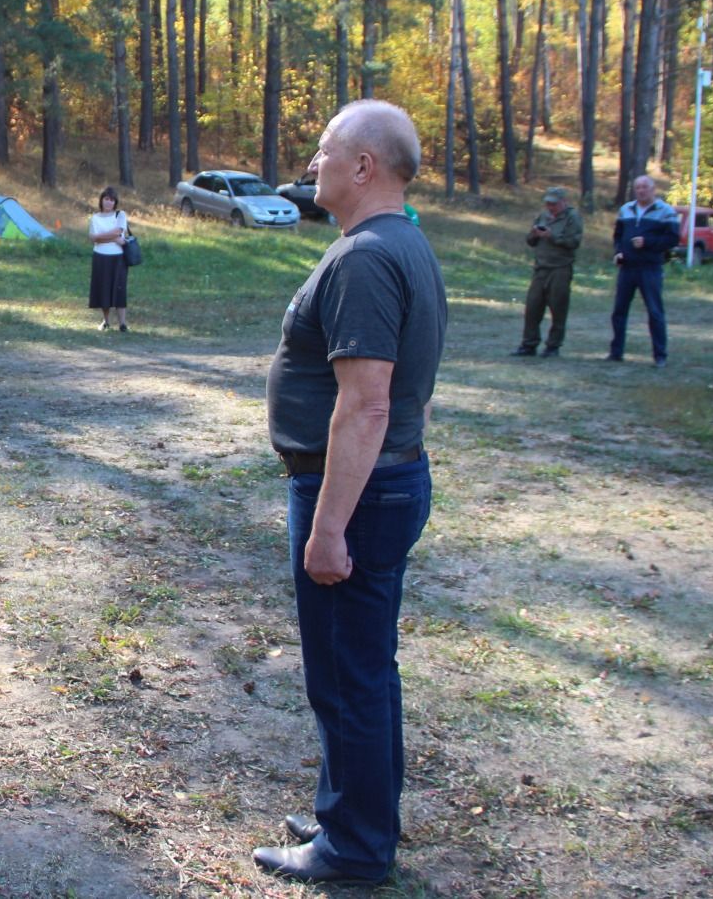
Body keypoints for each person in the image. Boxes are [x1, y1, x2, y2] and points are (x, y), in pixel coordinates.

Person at [256, 100, 446, 886]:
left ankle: (356, 846)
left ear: (364, 166)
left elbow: (367, 402)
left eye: (325, 151)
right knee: (362, 668)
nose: (312, 166)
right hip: (385, 483)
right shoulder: (400, 243)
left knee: (348, 674)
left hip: (358, 496)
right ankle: (356, 813)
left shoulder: (366, 256)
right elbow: (411, 394)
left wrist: (329, 525)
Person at [609, 175, 679, 367]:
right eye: (638, 187)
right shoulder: (626, 209)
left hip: (650, 268)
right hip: (627, 268)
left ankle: (660, 355)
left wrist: (647, 243)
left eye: (645, 187)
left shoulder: (665, 211)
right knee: (619, 311)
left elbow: (672, 239)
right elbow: (618, 236)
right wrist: (618, 252)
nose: (641, 190)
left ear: (653, 189)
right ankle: (616, 352)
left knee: (655, 312)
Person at [512, 187, 583, 358]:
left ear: (563, 202)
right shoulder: (542, 216)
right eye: (548, 203)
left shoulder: (572, 218)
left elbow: (573, 242)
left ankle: (553, 346)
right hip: (541, 268)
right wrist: (535, 234)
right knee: (533, 307)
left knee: (558, 308)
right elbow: (530, 241)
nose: (550, 207)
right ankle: (529, 344)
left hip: (560, 268)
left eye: (554, 204)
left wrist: (551, 236)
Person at [88, 187, 131, 332]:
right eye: (106, 199)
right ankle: (106, 321)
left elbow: (119, 231)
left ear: (115, 202)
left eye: (111, 200)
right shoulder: (95, 217)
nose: (108, 203)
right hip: (100, 256)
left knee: (120, 289)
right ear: (101, 200)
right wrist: (113, 238)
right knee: (103, 289)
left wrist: (102, 237)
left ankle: (122, 323)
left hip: (118, 257)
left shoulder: (120, 215)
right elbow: (94, 238)